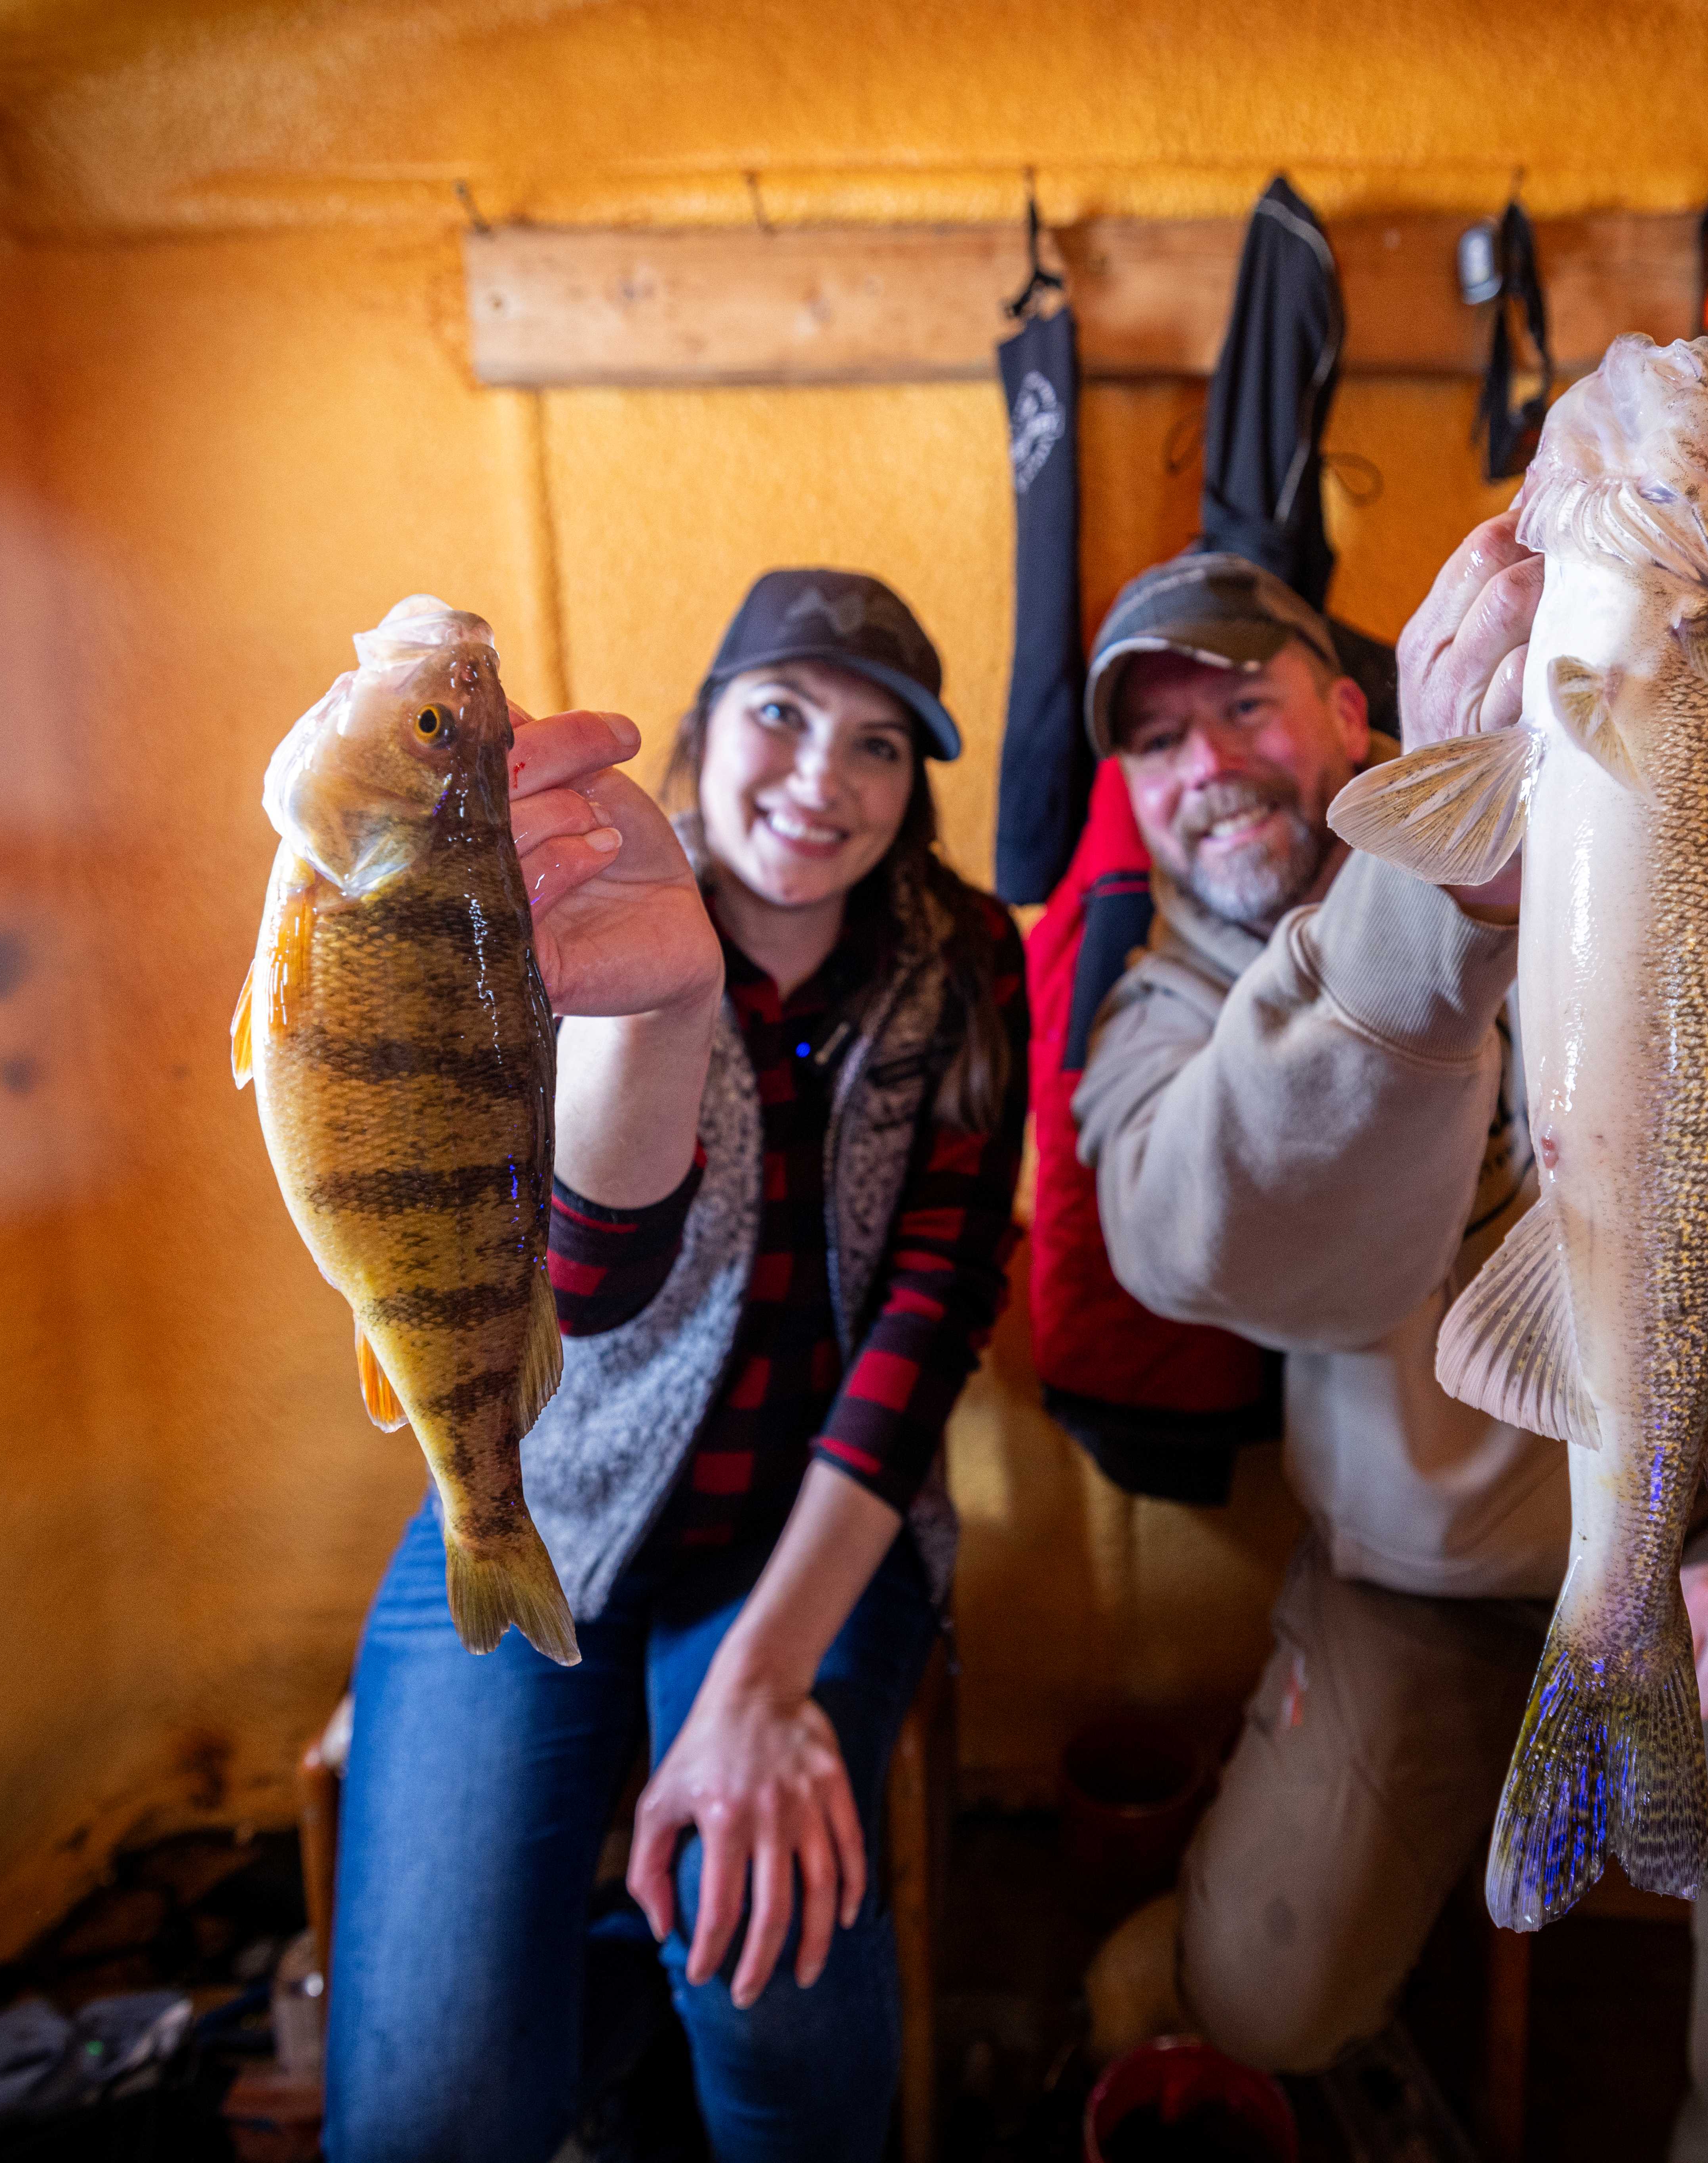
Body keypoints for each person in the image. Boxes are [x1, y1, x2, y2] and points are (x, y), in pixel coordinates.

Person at [1072, 537, 1708, 2158]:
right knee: (1257, 1996)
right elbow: (1190, 1245)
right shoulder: (1156, 1006)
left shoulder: (1653, 840)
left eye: (1241, 702)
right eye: (1153, 740)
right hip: (1414, 1587)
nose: (1204, 764)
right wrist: (1428, 908)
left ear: (1353, 710)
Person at [325, 570, 1028, 2163]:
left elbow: (928, 1325)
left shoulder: (966, 956)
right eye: (781, 715)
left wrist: (760, 1679)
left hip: (812, 1541)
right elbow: (583, 1281)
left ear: (911, 788)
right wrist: (667, 1012)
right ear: (704, 729)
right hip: (537, 1503)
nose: (817, 780)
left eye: (874, 746)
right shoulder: (580, 914)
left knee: (766, 1975)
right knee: (431, 2107)